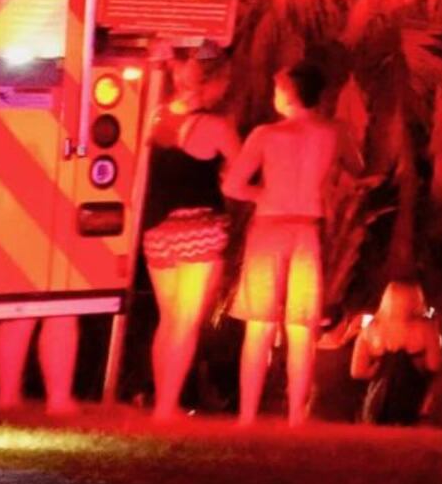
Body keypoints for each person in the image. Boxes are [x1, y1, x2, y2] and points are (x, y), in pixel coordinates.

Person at [224, 63, 341, 425]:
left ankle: (246, 416)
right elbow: (351, 171)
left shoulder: (266, 134)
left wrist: (262, 192)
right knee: (302, 327)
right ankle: (295, 418)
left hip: (270, 225)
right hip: (307, 228)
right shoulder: (331, 134)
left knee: (259, 323)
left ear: (288, 93)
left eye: (277, 88)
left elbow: (232, 186)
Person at [139, 52, 241, 417]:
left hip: (156, 229)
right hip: (200, 227)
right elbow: (240, 175)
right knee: (187, 321)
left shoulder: (156, 115)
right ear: (214, 82)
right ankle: (167, 405)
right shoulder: (215, 126)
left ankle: (160, 403)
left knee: (167, 320)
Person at [350, 278, 442, 426]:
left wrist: (378, 370)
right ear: (417, 300)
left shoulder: (371, 329)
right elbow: (434, 365)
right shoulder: (426, 328)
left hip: (379, 404)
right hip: (413, 401)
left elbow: (356, 371)